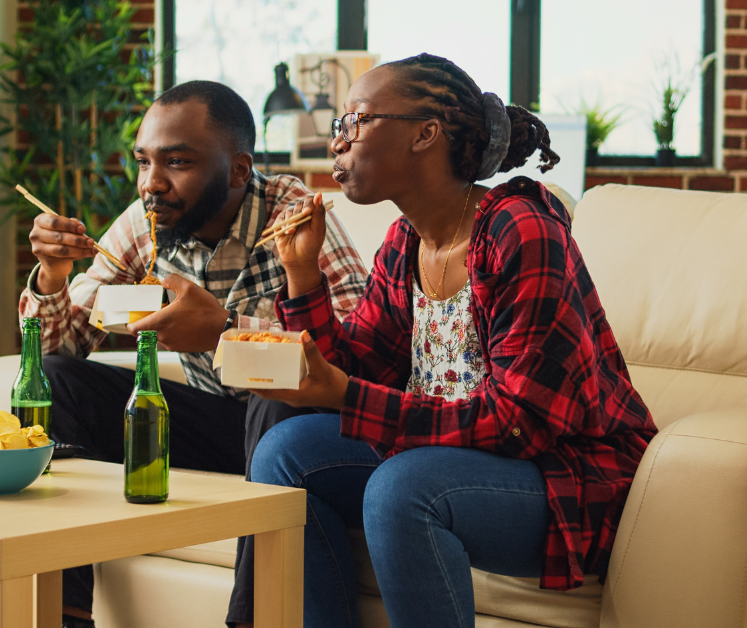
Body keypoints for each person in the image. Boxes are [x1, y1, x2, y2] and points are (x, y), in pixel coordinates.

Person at [231, 53, 657, 628]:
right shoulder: (405, 241)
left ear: (424, 134)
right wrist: (304, 277)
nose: (337, 142)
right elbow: (354, 365)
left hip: (564, 478)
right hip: (448, 459)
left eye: (353, 121)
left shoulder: (521, 231)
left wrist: (347, 396)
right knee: (283, 454)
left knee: (400, 489)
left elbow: (519, 422)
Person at [17, 80, 368, 628]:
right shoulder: (148, 218)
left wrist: (224, 331)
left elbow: (356, 353)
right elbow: (62, 346)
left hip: (291, 436)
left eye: (176, 162)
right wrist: (53, 277)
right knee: (61, 381)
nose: (152, 183)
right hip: (210, 426)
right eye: (143, 162)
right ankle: (65, 614)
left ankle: (249, 618)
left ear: (237, 170)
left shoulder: (294, 215)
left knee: (278, 394)